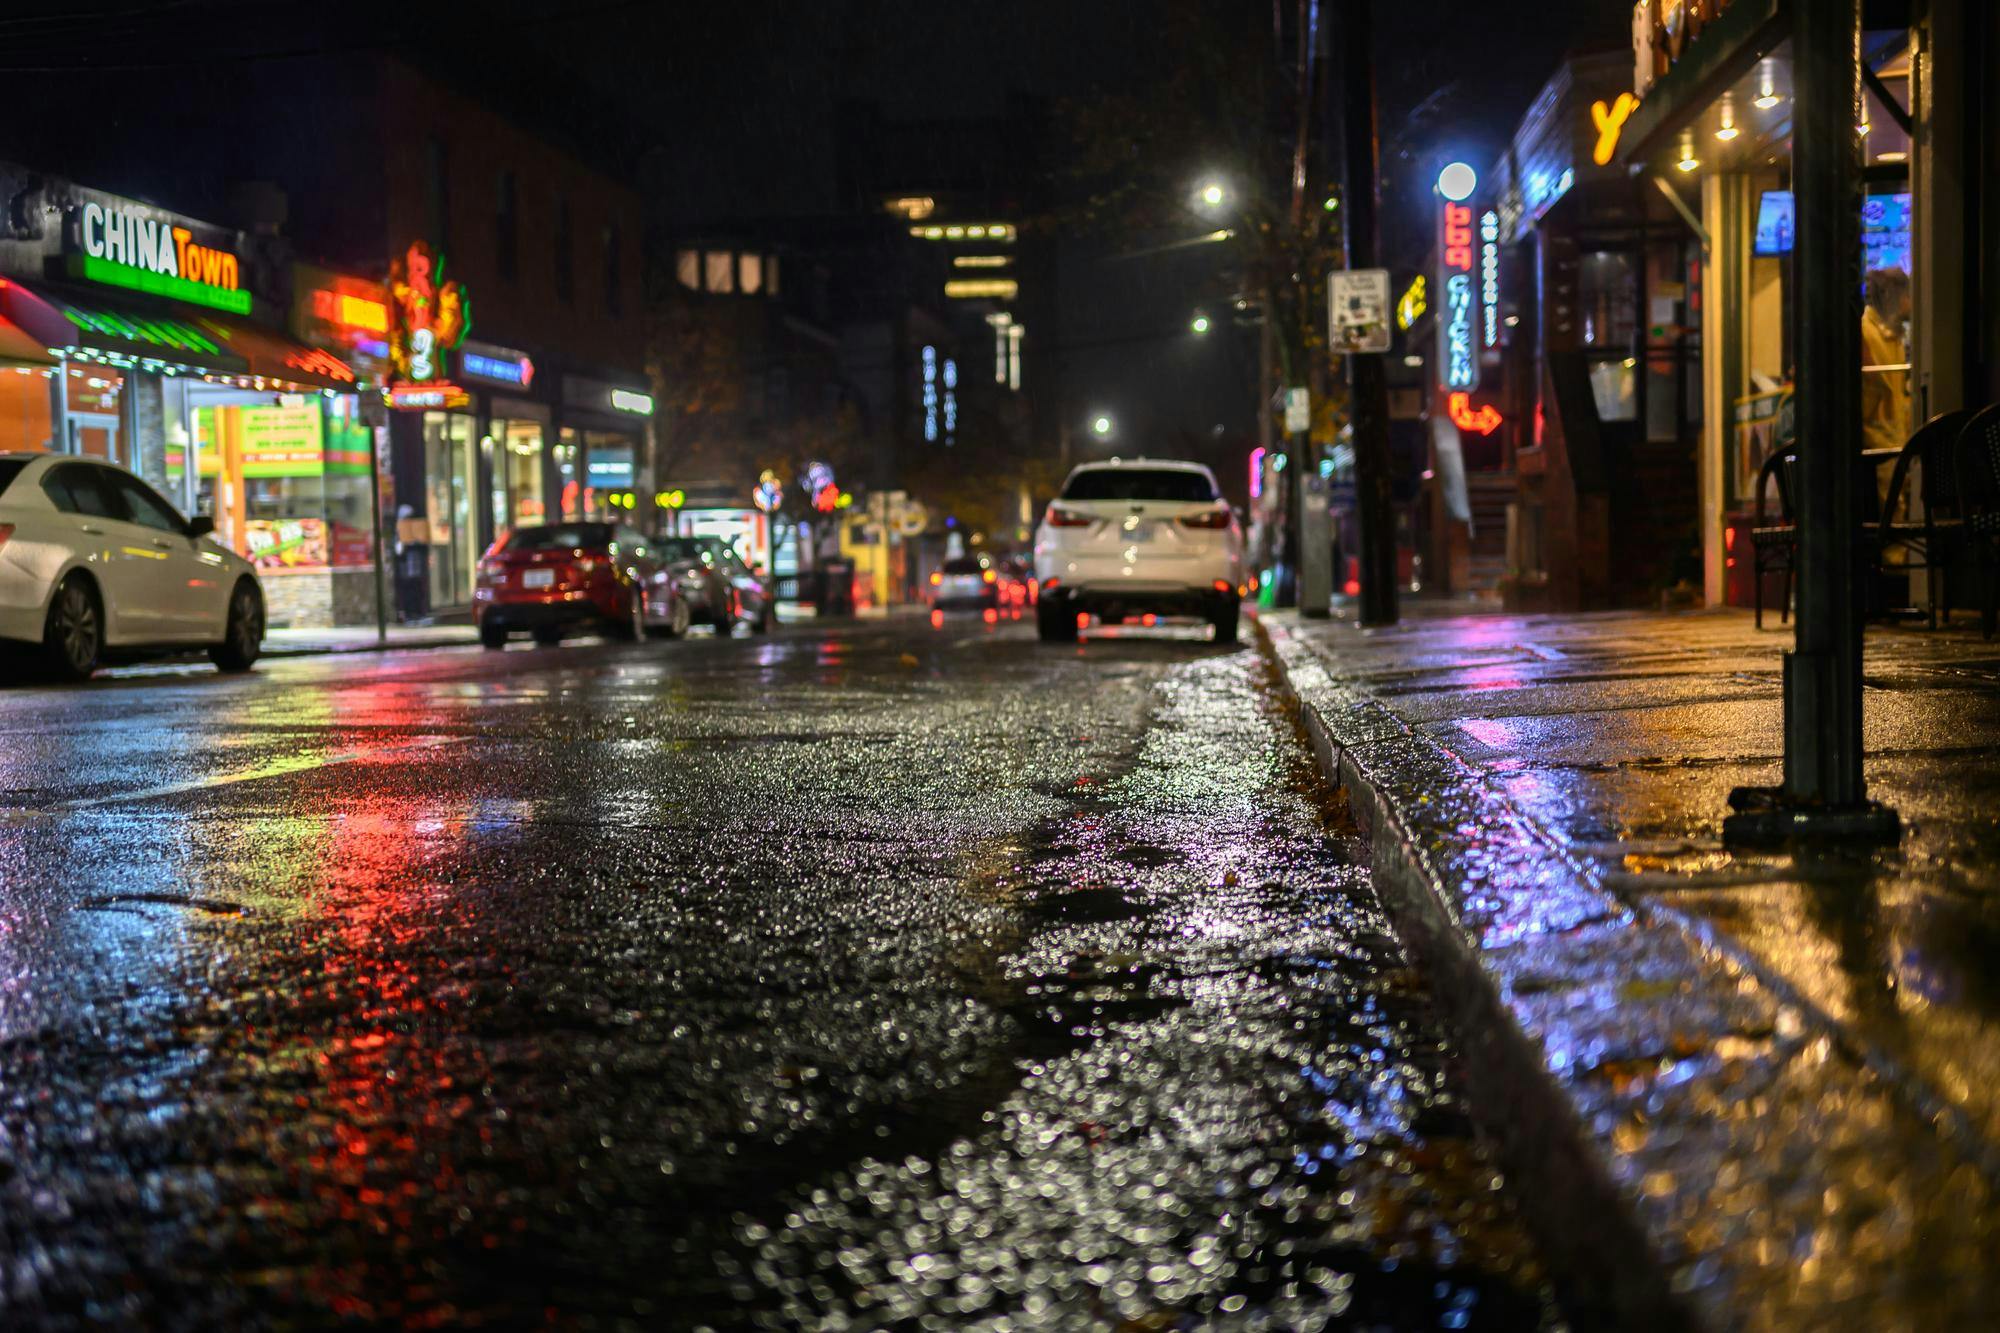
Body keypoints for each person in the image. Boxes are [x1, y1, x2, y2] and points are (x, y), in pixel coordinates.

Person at [1861, 268, 1911, 456]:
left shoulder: (1892, 336)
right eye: (1907, 295)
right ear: (1892, 296)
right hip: (1877, 450)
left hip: (1898, 444)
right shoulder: (1866, 334)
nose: (1910, 302)